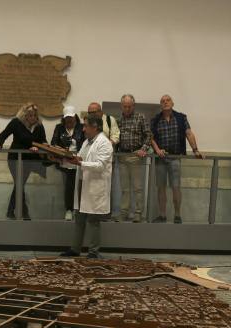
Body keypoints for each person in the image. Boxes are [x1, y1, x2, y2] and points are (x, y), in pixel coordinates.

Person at [59, 116, 113, 258]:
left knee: (93, 220)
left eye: (86, 126)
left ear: (95, 127)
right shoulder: (86, 142)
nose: (83, 129)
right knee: (79, 218)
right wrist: (61, 158)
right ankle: (75, 249)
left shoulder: (104, 143)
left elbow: (100, 165)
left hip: (95, 185)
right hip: (83, 183)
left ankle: (93, 252)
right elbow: (79, 158)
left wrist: (81, 163)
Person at [150, 95, 203, 223]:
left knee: (176, 187)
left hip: (175, 157)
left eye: (167, 100)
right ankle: (162, 215)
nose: (165, 102)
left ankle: (177, 215)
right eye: (162, 101)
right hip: (160, 158)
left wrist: (195, 150)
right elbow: (150, 137)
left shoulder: (181, 118)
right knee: (161, 187)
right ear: (160, 105)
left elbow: (189, 133)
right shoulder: (155, 120)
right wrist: (157, 150)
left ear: (172, 103)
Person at [0, 102, 46, 220]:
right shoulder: (16, 123)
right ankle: (24, 212)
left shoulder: (39, 126)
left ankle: (10, 211)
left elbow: (43, 141)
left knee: (19, 184)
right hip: (15, 159)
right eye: (30, 115)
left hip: (28, 160)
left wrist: (38, 147)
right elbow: (4, 134)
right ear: (25, 115)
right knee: (19, 183)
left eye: (34, 115)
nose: (33, 118)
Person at [116, 94, 152, 223]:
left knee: (137, 187)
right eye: (124, 106)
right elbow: (115, 137)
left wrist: (144, 149)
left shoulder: (140, 117)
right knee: (124, 188)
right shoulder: (118, 119)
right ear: (121, 106)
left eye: (129, 106)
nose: (127, 109)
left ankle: (138, 213)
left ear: (133, 106)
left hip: (135, 156)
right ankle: (124, 212)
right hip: (122, 156)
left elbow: (148, 135)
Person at [50, 106, 85, 221]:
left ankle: (79, 210)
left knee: (79, 187)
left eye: (71, 118)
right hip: (64, 162)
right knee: (68, 187)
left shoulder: (82, 127)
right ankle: (69, 210)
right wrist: (60, 149)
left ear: (75, 117)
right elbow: (53, 142)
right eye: (67, 119)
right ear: (64, 119)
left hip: (78, 162)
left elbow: (85, 144)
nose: (69, 121)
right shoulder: (59, 128)